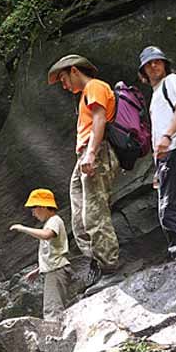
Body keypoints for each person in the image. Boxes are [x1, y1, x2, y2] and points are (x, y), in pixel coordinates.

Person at [47, 55, 120, 287]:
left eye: (63, 79)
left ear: (75, 71)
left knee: (95, 213)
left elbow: (99, 119)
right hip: (85, 155)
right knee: (79, 216)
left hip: (95, 152)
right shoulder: (85, 94)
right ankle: (95, 262)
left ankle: (110, 268)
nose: (64, 85)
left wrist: (90, 153)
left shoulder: (94, 86)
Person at [138, 46, 176, 258]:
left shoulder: (172, 81)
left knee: (171, 209)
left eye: (157, 61)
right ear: (143, 71)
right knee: (172, 207)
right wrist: (157, 168)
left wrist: (168, 136)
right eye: (149, 63)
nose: (154, 65)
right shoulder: (156, 93)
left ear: (165, 64)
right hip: (168, 156)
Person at [10, 189, 72, 321]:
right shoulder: (50, 222)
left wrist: (23, 228)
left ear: (43, 206)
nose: (33, 213)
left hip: (56, 270)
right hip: (54, 269)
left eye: (34, 208)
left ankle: (56, 338)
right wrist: (38, 270)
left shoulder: (54, 220)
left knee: (53, 309)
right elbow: (53, 252)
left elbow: (47, 235)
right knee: (53, 306)